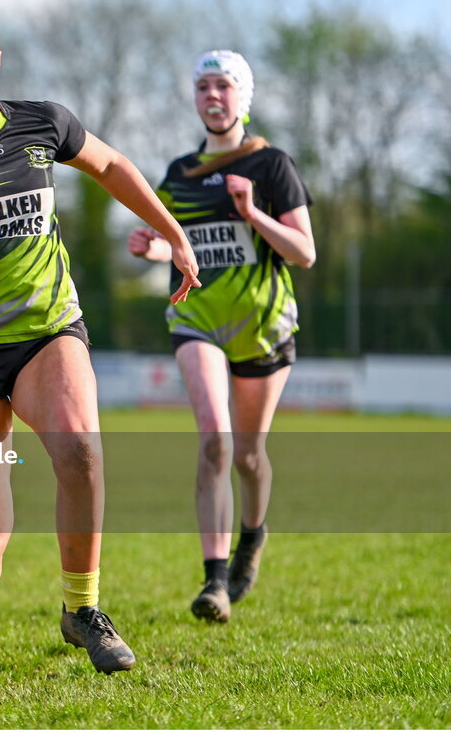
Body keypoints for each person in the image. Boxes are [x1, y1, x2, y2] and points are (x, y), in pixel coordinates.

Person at [0, 8, 201, 696]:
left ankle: (81, 605)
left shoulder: (43, 123)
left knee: (82, 450)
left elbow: (113, 164)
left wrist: (171, 231)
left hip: (47, 330)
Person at [128, 50, 315, 623]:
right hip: (197, 319)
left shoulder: (271, 165)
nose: (213, 96)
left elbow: (304, 253)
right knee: (216, 438)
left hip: (262, 325)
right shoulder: (179, 174)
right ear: (194, 97)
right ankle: (214, 581)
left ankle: (252, 539)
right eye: (203, 86)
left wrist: (252, 213)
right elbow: (174, 243)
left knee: (251, 454)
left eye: (224, 86)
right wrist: (153, 248)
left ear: (243, 97)